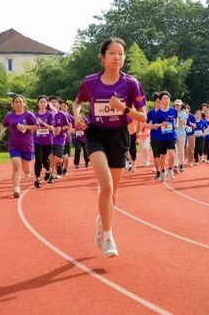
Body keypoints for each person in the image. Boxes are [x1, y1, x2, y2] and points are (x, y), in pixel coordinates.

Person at [73, 37, 147, 258]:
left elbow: (143, 116)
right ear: (102, 57)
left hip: (119, 136)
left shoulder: (131, 83)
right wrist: (77, 115)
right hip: (95, 135)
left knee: (112, 192)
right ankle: (108, 238)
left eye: (121, 54)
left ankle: (101, 222)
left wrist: (124, 109)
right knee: (105, 185)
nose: (117, 57)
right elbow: (77, 102)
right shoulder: (90, 82)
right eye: (112, 53)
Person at [0, 95, 38, 198]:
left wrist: (25, 127)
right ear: (13, 104)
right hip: (14, 145)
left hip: (27, 146)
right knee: (16, 166)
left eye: (20, 102)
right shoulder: (10, 116)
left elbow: (37, 126)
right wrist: (2, 131)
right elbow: (4, 124)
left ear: (24, 103)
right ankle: (16, 188)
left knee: (26, 170)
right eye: (16, 102)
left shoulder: (29, 115)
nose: (18, 104)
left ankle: (28, 173)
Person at [147, 91, 178, 181]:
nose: (166, 100)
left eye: (168, 98)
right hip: (161, 138)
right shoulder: (158, 113)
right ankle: (163, 172)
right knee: (162, 157)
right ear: (161, 100)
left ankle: (170, 169)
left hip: (171, 137)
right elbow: (153, 125)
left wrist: (176, 124)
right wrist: (161, 124)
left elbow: (177, 118)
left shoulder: (173, 110)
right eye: (164, 98)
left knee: (172, 154)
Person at [33, 95, 55, 188]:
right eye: (41, 101)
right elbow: (32, 127)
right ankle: (37, 179)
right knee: (38, 159)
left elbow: (52, 128)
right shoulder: (34, 115)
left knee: (45, 159)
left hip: (47, 141)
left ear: (47, 104)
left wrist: (43, 123)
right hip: (37, 140)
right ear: (38, 103)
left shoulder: (50, 115)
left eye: (44, 102)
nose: (42, 103)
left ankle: (48, 170)